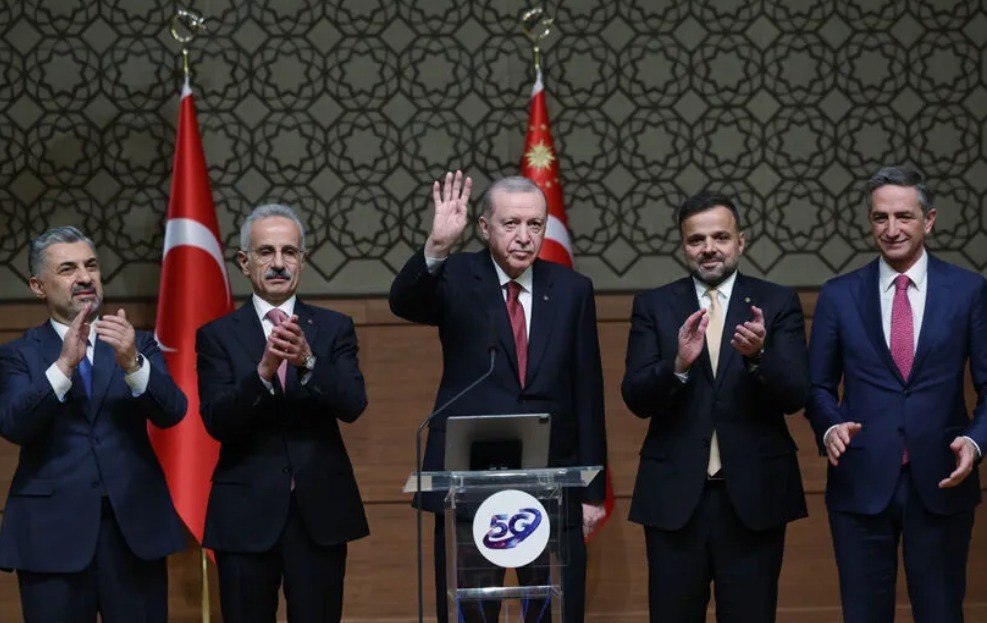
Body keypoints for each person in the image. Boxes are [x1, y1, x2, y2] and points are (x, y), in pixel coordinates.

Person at [389, 171, 608, 622]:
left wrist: (592, 494)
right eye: (511, 224)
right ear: (485, 228)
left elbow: (587, 391)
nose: (525, 237)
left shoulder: (572, 290)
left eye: (535, 224)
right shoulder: (455, 276)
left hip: (553, 482)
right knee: (472, 609)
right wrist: (437, 246)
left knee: (553, 609)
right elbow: (404, 302)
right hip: (468, 485)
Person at [807, 166, 986, 623]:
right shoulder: (839, 294)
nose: (891, 229)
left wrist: (975, 441)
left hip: (943, 478)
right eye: (880, 217)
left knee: (941, 612)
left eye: (904, 216)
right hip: (860, 480)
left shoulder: (969, 291)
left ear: (929, 220)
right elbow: (818, 386)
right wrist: (829, 427)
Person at [621, 191, 809, 623]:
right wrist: (677, 366)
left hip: (754, 498)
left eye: (720, 237)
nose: (709, 248)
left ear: (741, 241)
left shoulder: (777, 302)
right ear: (683, 246)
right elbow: (635, 397)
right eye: (696, 239)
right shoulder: (654, 305)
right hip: (674, 498)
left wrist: (759, 357)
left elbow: (797, 394)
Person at [0, 226, 187, 622]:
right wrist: (63, 366)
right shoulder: (18, 355)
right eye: (68, 269)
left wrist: (133, 364)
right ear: (37, 286)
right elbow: (14, 424)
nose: (85, 277)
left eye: (91, 266)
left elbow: (172, 411)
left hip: (134, 532)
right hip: (51, 536)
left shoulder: (137, 343)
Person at [196, 204, 370, 623]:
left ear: (302, 261)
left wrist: (309, 362)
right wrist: (262, 374)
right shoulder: (217, 336)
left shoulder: (334, 327)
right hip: (244, 514)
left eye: (289, 252)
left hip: (319, 513)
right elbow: (217, 420)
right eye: (266, 252)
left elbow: (353, 404)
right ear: (244, 262)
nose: (278, 263)